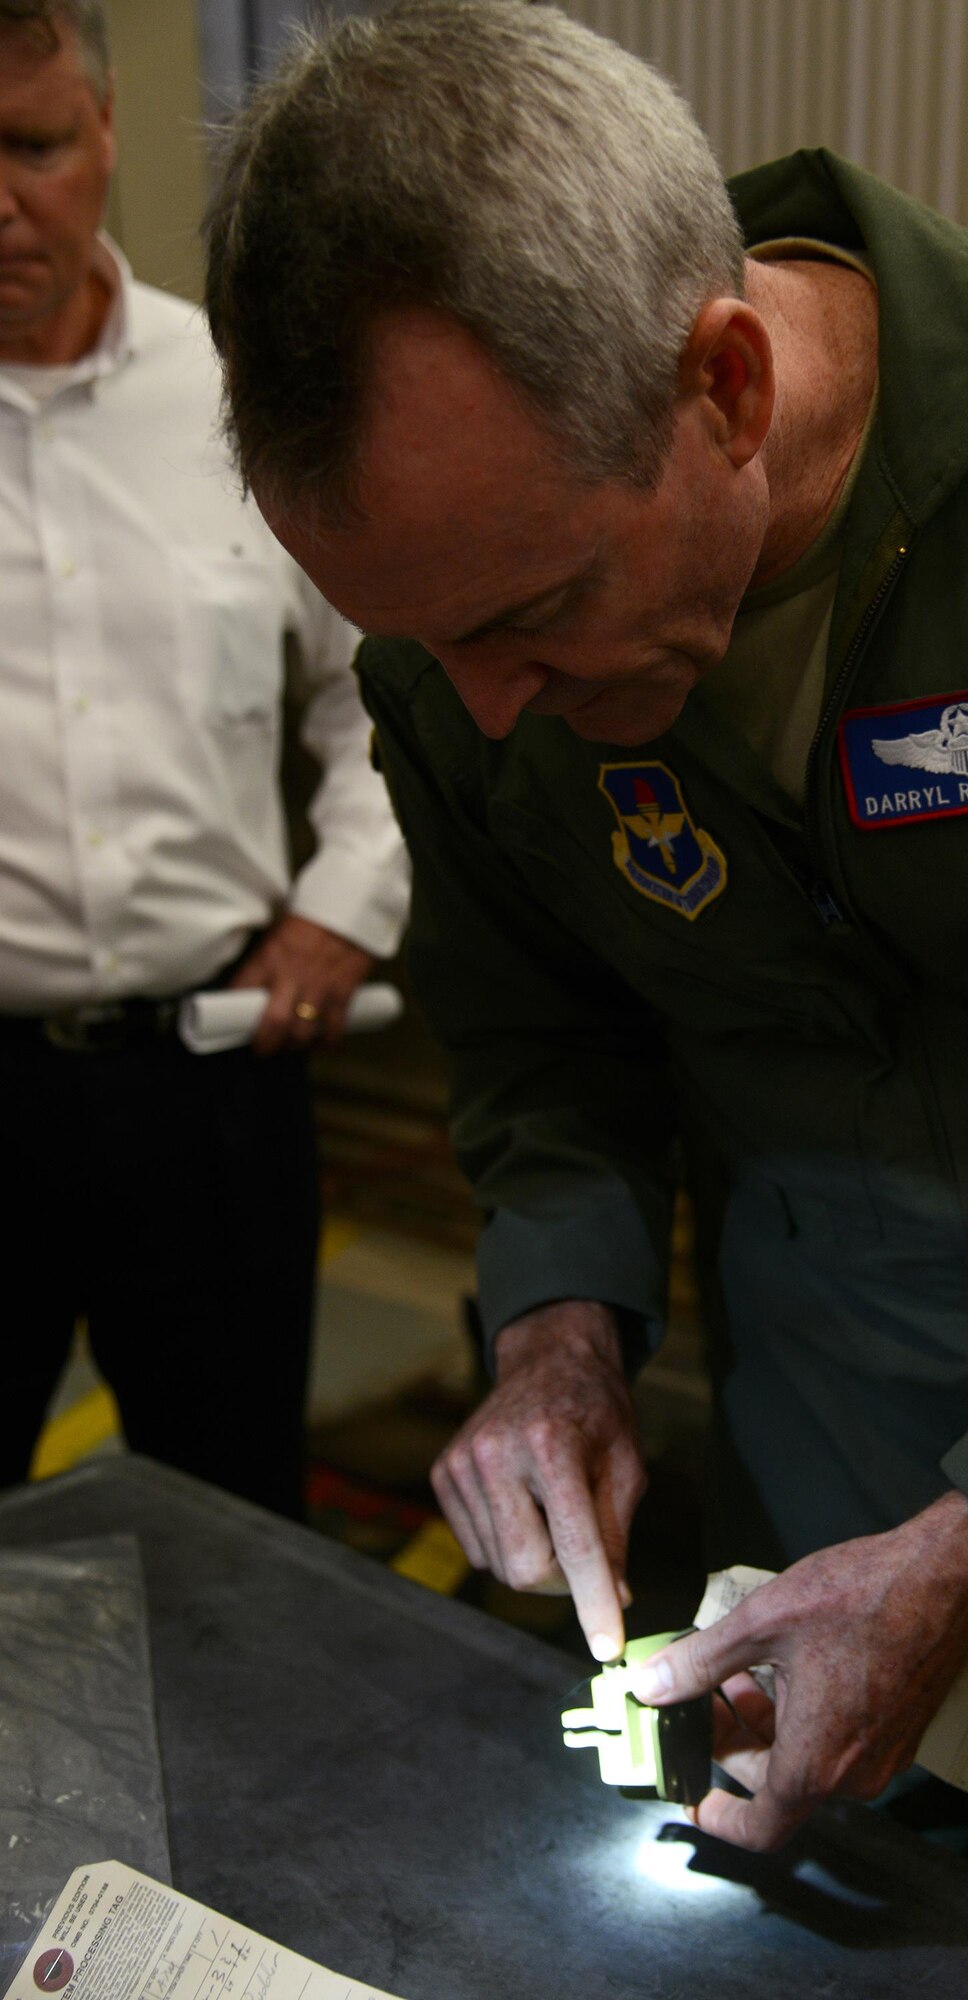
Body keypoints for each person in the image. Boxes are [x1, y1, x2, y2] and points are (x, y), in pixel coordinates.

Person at [202, 2, 968, 1989]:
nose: (483, 709)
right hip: (816, 1531)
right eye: (419, 644)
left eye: (532, 612)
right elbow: (546, 1045)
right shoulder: (459, 618)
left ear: (723, 381)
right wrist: (557, 1323)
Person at [0, 0, 409, 1518]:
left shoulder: (239, 400)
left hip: (215, 1085)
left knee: (234, 1524)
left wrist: (344, 903)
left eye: (32, 145)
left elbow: (386, 687)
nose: (2, 201)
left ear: (105, 134)